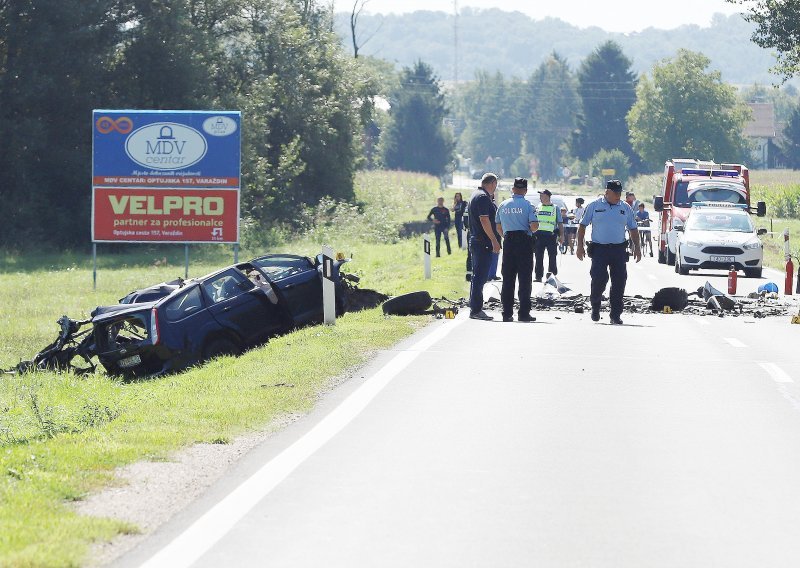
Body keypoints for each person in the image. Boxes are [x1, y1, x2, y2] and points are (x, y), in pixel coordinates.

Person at [576, 179, 641, 325]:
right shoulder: (594, 206)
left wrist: (637, 247)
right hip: (599, 250)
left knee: (619, 282)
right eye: (615, 193)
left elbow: (633, 229)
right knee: (599, 280)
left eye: (620, 193)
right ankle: (596, 306)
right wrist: (579, 246)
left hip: (618, 250)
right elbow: (582, 226)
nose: (618, 195)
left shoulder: (625, 208)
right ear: (607, 192)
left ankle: (615, 314)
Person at [495, 177, 538, 322]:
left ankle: (507, 313)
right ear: (525, 191)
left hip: (508, 242)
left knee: (508, 278)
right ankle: (524, 313)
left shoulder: (503, 205)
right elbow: (533, 226)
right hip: (524, 242)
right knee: (525, 279)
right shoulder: (528, 205)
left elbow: (498, 227)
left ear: (513, 190)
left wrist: (506, 236)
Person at [468, 173, 502, 320]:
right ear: (492, 183)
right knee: (480, 277)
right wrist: (494, 240)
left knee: (477, 276)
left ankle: (474, 307)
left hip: (477, 241)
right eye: (496, 185)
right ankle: (476, 310)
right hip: (483, 242)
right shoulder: (482, 197)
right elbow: (484, 220)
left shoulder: (476, 194)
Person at [533, 189, 563, 282]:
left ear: (547, 196)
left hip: (551, 235)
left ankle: (551, 276)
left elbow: (560, 223)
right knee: (538, 256)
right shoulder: (538, 207)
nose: (540, 198)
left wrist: (562, 236)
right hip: (539, 235)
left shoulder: (555, 208)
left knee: (552, 256)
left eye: (542, 196)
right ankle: (538, 276)